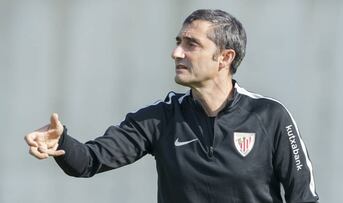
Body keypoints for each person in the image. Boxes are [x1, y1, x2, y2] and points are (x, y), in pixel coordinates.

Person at [25, 9, 319, 203]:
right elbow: (89, 161)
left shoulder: (270, 116)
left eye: (191, 44)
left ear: (225, 57)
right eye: (178, 42)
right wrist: (61, 142)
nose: (176, 52)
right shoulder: (161, 116)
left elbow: (303, 197)